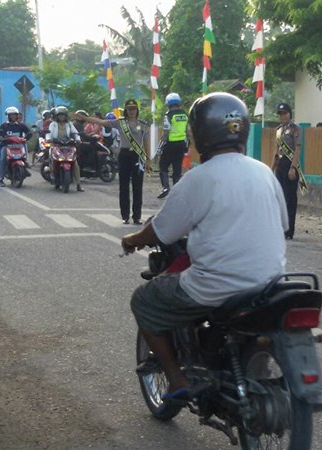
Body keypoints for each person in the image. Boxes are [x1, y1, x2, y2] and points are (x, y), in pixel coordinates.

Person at [121, 92, 288, 411]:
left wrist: (132, 240)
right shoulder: (264, 172)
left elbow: (162, 230)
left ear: (199, 134)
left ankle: (177, 378)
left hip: (218, 287)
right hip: (270, 282)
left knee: (144, 300)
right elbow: (280, 224)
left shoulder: (199, 178)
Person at [74, 99, 151, 224]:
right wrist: (85, 118)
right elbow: (102, 122)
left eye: (134, 109)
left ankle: (137, 217)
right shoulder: (120, 123)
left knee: (137, 188)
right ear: (126, 110)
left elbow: (146, 142)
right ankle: (125, 216)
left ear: (137, 110)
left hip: (138, 156)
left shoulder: (142, 124)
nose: (132, 111)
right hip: (124, 155)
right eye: (130, 109)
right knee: (124, 186)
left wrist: (148, 160)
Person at [272, 102, 303, 239]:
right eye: (280, 114)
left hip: (290, 164)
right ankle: (280, 227)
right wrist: (272, 167)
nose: (282, 116)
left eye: (284, 113)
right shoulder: (279, 130)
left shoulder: (295, 129)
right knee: (280, 197)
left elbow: (297, 149)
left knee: (290, 198)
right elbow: (276, 150)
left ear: (289, 114)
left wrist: (293, 167)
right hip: (280, 165)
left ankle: (289, 230)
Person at [157, 93, 189, 199]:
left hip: (170, 144)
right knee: (177, 168)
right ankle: (177, 191)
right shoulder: (185, 115)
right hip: (181, 144)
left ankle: (166, 188)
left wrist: (159, 146)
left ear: (168, 103)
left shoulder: (168, 115)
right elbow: (188, 130)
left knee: (163, 166)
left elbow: (166, 132)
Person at [45, 106, 84, 192]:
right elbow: (49, 133)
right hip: (56, 145)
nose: (61, 117)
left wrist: (77, 139)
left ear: (66, 116)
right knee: (52, 159)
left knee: (75, 164)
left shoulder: (69, 124)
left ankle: (78, 184)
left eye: (63, 115)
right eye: (60, 115)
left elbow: (75, 133)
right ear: (57, 116)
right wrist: (48, 138)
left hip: (68, 145)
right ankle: (51, 171)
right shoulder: (53, 124)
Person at [0, 106, 32, 187]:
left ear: (17, 116)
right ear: (8, 116)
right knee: (3, 160)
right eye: (11, 115)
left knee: (24, 151)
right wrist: (2, 139)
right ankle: (1, 179)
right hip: (7, 146)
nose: (13, 117)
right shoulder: (4, 126)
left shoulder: (20, 125)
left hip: (18, 146)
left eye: (14, 115)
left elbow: (29, 132)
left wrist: (25, 138)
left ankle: (25, 164)